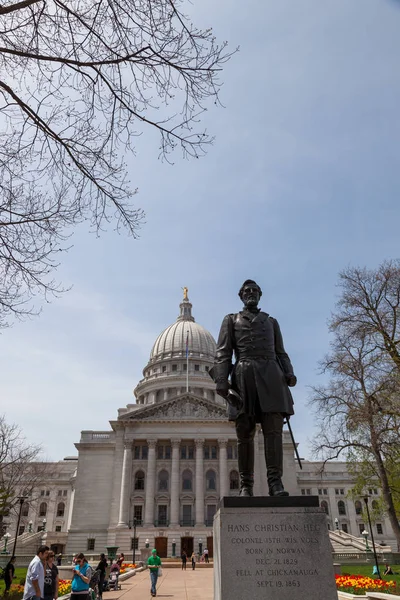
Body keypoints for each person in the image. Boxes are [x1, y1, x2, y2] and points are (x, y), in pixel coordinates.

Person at [212, 279, 296, 497]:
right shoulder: (231, 320)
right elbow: (223, 351)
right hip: (244, 375)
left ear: (260, 295)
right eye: (247, 291)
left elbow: (281, 352)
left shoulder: (271, 322)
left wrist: (289, 372)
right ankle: (246, 485)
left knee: (273, 432)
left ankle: (275, 483)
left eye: (254, 291)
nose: (251, 294)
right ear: (241, 296)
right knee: (245, 433)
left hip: (271, 375)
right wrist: (221, 381)